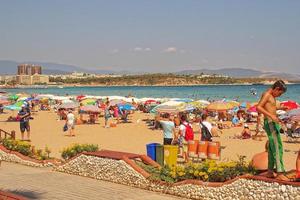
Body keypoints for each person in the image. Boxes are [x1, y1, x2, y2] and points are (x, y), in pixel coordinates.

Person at [256, 80, 289, 181]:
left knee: (271, 148)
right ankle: (279, 172)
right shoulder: (267, 94)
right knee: (277, 147)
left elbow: (270, 107)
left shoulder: (271, 96)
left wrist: (281, 107)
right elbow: (258, 107)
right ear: (277, 88)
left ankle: (270, 171)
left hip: (271, 122)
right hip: (270, 123)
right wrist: (271, 116)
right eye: (280, 93)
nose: (279, 95)